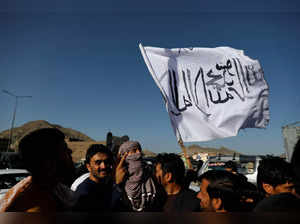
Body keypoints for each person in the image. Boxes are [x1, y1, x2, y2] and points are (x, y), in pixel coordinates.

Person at [0, 128, 77, 212]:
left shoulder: (53, 188)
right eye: (64, 149)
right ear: (48, 162)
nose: (70, 151)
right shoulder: (35, 207)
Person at [113, 141, 163, 212]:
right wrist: (117, 184)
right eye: (134, 150)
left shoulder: (152, 178)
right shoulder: (117, 184)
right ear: (124, 156)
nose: (139, 153)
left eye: (139, 150)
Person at [73, 144, 116, 211]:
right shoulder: (84, 192)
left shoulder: (105, 184)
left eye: (106, 162)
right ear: (88, 167)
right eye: (98, 162)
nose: (103, 166)